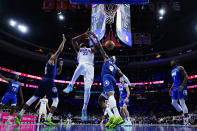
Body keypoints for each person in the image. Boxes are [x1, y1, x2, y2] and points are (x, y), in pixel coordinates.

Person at [14, 34, 66, 126]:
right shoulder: (51, 59)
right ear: (51, 56)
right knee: (56, 100)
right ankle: (48, 119)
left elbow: (58, 73)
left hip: (44, 81)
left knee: (34, 98)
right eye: (54, 55)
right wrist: (63, 41)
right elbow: (59, 51)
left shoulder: (50, 64)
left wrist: (61, 66)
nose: (55, 56)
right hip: (49, 81)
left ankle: (19, 115)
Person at [89, 32, 132, 128]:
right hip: (112, 79)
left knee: (110, 95)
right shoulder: (116, 67)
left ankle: (117, 116)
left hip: (107, 77)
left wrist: (96, 38)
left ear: (110, 58)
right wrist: (129, 83)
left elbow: (100, 48)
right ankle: (111, 116)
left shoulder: (107, 59)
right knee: (101, 100)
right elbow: (123, 75)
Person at [63, 31, 97, 121]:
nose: (82, 44)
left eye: (83, 44)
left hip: (90, 69)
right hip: (82, 67)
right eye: (81, 43)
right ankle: (70, 85)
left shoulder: (91, 49)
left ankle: (84, 109)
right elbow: (73, 40)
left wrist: (91, 39)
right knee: (81, 65)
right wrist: (83, 34)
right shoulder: (79, 50)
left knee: (87, 89)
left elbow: (97, 48)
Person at [169, 59, 189, 125]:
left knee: (181, 102)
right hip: (175, 87)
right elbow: (174, 81)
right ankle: (183, 113)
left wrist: (182, 85)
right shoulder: (172, 71)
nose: (171, 62)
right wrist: (171, 89)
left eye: (172, 61)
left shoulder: (180, 67)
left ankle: (186, 121)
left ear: (176, 62)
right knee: (173, 102)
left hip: (181, 87)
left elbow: (186, 76)